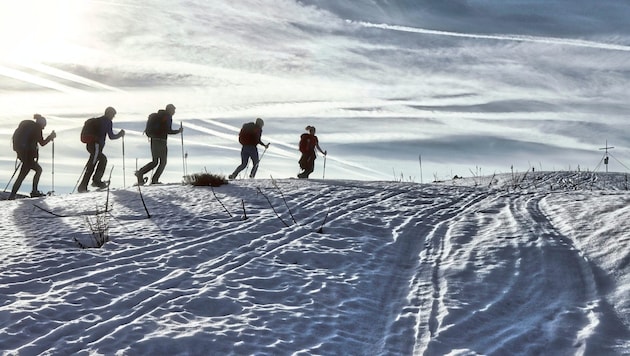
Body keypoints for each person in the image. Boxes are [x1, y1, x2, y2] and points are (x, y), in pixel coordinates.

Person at [8, 114, 56, 199]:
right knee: (30, 173)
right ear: (42, 123)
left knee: (26, 174)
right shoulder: (37, 129)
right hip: (28, 155)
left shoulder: (31, 128)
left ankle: (14, 194)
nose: (44, 127)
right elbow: (42, 143)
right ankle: (32, 192)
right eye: (44, 125)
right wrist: (50, 137)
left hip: (23, 154)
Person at [78, 107, 125, 192]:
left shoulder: (99, 120)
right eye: (113, 115)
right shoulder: (107, 121)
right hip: (96, 146)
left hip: (91, 145)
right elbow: (111, 136)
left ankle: (90, 183)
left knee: (97, 162)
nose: (113, 117)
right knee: (95, 163)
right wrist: (120, 134)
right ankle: (88, 184)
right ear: (109, 114)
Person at [135, 104, 182, 185]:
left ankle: (141, 173)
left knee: (155, 161)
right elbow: (168, 130)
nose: (174, 112)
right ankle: (154, 180)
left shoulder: (158, 116)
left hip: (154, 140)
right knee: (163, 162)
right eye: (173, 110)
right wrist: (178, 131)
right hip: (161, 141)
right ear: (170, 110)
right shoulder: (167, 116)